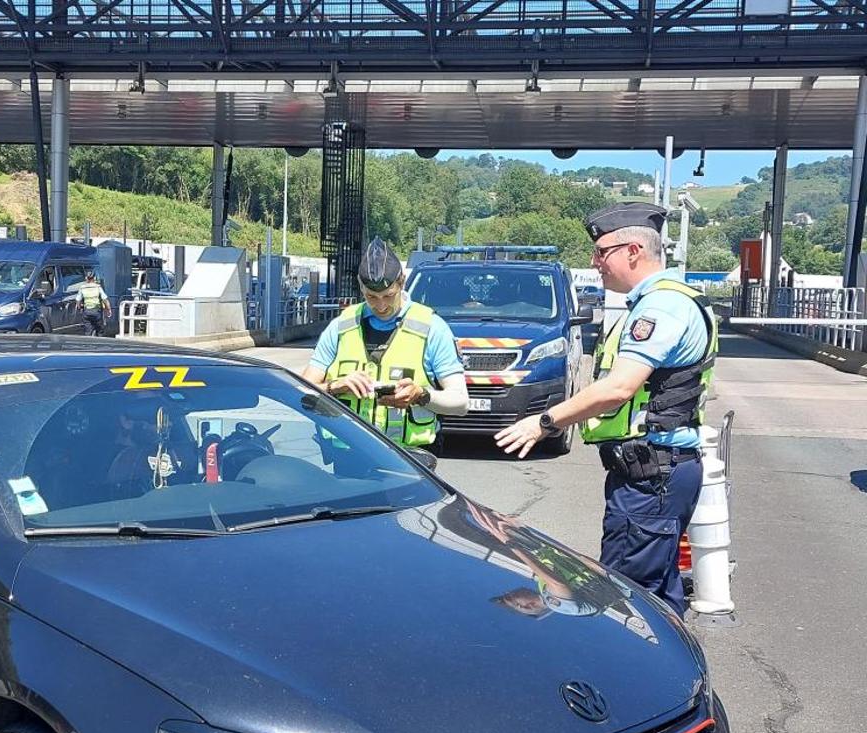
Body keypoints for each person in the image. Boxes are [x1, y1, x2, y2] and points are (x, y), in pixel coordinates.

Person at [493, 202, 718, 617]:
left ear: (633, 250)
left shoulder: (660, 307)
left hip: (651, 478)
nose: (595, 262)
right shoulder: (665, 300)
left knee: (626, 604)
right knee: (657, 594)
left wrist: (545, 421)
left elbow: (619, 387)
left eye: (601, 251)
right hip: (656, 473)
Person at [301, 237, 468, 447]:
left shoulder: (432, 328)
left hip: (411, 459)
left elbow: (461, 403)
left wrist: (421, 395)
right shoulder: (340, 326)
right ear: (361, 288)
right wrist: (336, 386)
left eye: (389, 296)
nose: (381, 306)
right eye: (371, 297)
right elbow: (304, 393)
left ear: (402, 282)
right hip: (348, 456)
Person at [77, 271, 111, 337]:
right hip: (96, 312)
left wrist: (79, 308)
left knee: (88, 331)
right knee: (100, 330)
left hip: (87, 312)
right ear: (94, 278)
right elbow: (105, 299)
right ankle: (98, 343)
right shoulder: (98, 287)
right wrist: (108, 309)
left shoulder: (82, 288)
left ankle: (88, 344)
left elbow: (78, 300)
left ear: (86, 278)